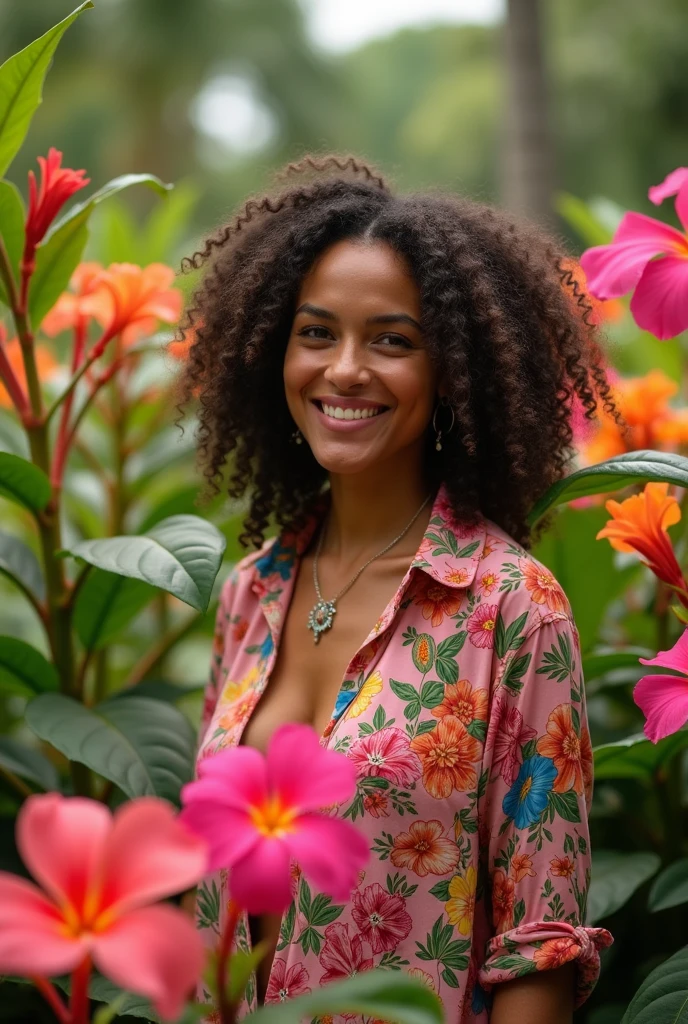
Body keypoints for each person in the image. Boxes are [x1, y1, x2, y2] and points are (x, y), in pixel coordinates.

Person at [176, 154, 615, 1023]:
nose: (344, 369)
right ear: (273, 352)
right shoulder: (250, 595)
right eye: (315, 333)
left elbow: (538, 942)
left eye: (391, 339)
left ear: (451, 370)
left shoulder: (513, 610)